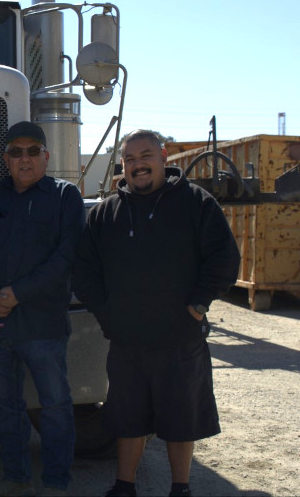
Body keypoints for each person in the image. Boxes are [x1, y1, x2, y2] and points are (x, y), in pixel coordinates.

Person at [72, 129, 241, 497]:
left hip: (180, 339)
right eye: (129, 159)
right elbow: (84, 269)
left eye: (145, 155)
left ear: (164, 157)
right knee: (127, 419)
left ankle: (180, 488)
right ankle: (124, 486)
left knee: (182, 421)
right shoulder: (106, 213)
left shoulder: (196, 203)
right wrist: (106, 313)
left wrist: (197, 306)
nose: (137, 165)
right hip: (127, 342)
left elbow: (224, 259)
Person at [0, 121, 85, 496]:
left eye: (33, 151)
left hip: (41, 326)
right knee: (5, 409)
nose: (25, 159)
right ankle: (16, 477)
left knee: (56, 407)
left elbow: (66, 257)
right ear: (6, 159)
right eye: (16, 152)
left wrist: (18, 293)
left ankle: (56, 482)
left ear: (46, 156)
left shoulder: (66, 197)